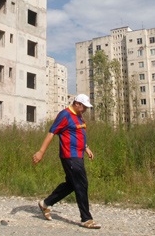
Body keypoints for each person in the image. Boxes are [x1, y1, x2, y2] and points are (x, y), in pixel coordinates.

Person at [32, 94, 101, 229]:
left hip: (78, 154)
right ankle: (86, 218)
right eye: (84, 107)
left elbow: (78, 134)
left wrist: (86, 148)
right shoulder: (64, 115)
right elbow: (51, 132)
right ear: (77, 104)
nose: (85, 110)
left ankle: (45, 204)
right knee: (81, 184)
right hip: (70, 155)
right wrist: (41, 152)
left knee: (71, 184)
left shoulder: (78, 116)